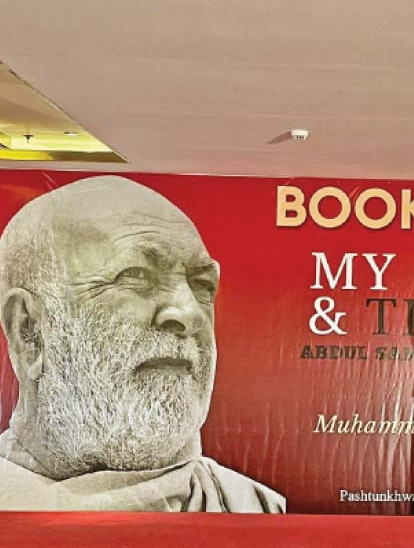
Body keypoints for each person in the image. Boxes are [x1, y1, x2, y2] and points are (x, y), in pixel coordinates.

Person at [0, 176, 285, 513]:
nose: (190, 313)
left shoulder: (257, 511)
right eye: (135, 275)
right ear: (29, 331)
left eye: (201, 284)